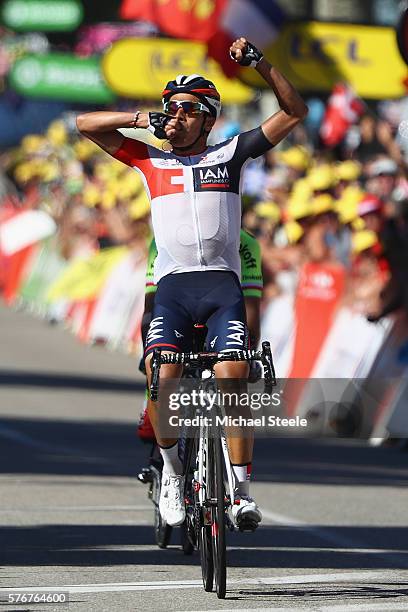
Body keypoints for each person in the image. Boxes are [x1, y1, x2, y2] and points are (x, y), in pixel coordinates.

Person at [76, 36, 308, 529]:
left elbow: (294, 110)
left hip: (221, 288)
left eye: (184, 110)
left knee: (233, 382)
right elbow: (83, 125)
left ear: (208, 117)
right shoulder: (149, 161)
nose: (173, 117)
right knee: (163, 382)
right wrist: (141, 120)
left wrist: (261, 64)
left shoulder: (230, 155)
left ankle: (241, 493)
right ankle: (175, 479)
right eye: (169, 109)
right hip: (175, 290)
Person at [138, 228, 264, 442]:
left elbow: (251, 305)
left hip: (223, 313)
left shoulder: (246, 243)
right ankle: (152, 404)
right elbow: (151, 305)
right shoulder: (161, 240)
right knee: (161, 364)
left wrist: (248, 352)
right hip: (178, 311)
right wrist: (148, 354)